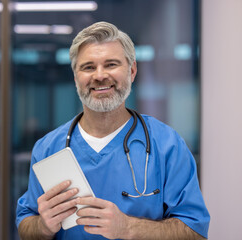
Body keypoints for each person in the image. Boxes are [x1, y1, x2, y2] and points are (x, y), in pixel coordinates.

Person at [16, 21, 210, 240]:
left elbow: (195, 232)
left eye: (111, 64)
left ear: (132, 71)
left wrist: (128, 227)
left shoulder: (166, 144)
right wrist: (43, 225)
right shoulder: (48, 148)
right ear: (75, 77)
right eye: (88, 67)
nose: (99, 76)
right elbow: (26, 224)